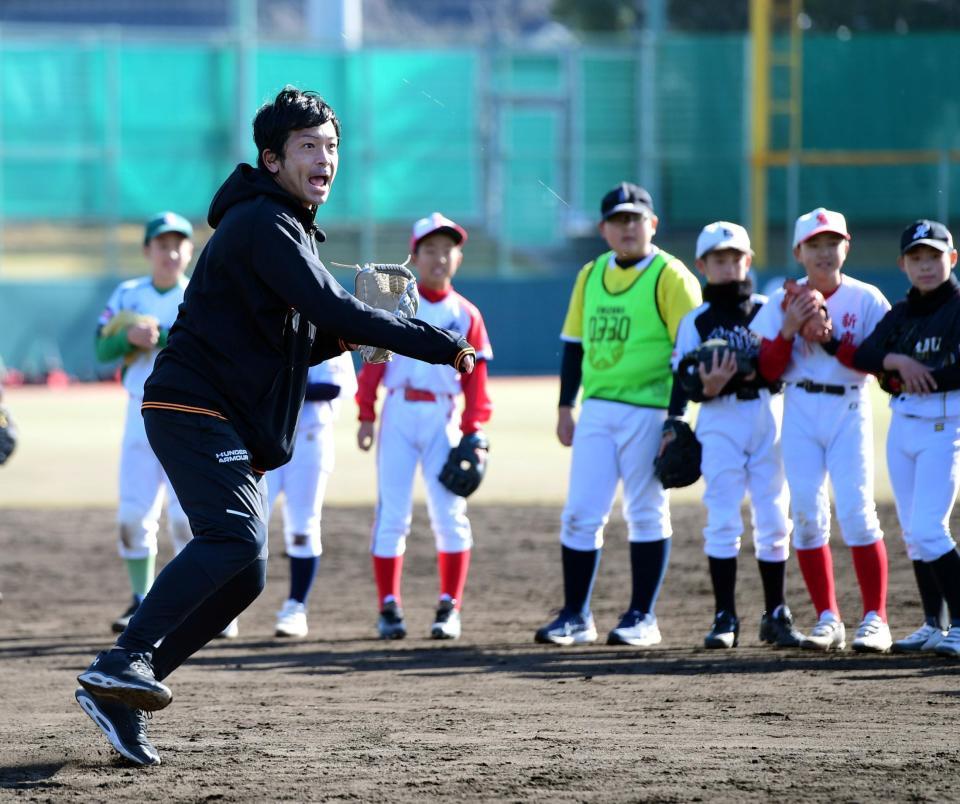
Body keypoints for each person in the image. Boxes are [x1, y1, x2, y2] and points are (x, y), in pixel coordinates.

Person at [75, 86, 475, 767]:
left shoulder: (280, 227)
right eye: (307, 146)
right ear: (271, 159)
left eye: (332, 147)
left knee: (246, 573)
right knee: (231, 539)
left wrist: (343, 338)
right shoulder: (265, 221)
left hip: (211, 408)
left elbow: (297, 333)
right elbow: (331, 306)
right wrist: (435, 339)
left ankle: (123, 689)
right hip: (190, 401)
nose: (325, 158)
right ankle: (124, 657)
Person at [534, 182, 702, 647]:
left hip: (649, 411)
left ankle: (642, 616)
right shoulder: (590, 275)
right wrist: (566, 405)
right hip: (598, 410)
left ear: (652, 224)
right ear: (604, 229)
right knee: (581, 514)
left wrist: (676, 419)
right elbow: (573, 345)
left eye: (636, 219)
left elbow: (688, 356)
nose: (627, 227)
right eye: (618, 220)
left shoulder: (671, 276)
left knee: (646, 511)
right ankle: (575, 616)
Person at [750, 207, 892, 653]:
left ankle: (876, 618)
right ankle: (828, 617)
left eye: (832, 243)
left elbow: (874, 364)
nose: (824, 252)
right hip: (800, 406)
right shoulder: (781, 302)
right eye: (814, 245)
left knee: (856, 511)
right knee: (808, 518)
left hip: (848, 407)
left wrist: (831, 339)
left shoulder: (867, 299)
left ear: (846, 248)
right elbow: (768, 372)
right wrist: (790, 329)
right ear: (798, 252)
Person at [356, 212, 493, 640]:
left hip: (443, 416)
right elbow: (375, 367)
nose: (439, 258)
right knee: (392, 514)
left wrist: (474, 430)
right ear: (413, 257)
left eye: (447, 250)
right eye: (430, 250)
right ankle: (389, 607)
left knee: (450, 513)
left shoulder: (466, 313)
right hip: (398, 413)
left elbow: (476, 381)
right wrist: (365, 413)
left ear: (459, 258)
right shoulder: (396, 308)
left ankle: (449, 606)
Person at [670, 222, 804, 649]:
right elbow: (683, 376)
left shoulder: (769, 308)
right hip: (719, 418)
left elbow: (784, 363)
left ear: (748, 261)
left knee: (773, 514)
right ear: (702, 266)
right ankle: (724, 616)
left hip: (767, 412)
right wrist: (701, 390)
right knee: (723, 514)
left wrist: (747, 371)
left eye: (735, 259)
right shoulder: (697, 319)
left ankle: (776, 612)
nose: (728, 268)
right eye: (718, 260)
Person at [842, 220, 960, 657]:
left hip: (946, 425)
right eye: (917, 258)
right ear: (903, 264)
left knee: (930, 528)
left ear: (952, 258)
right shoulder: (903, 311)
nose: (926, 266)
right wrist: (895, 360)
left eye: (934, 256)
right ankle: (935, 623)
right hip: (903, 425)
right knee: (914, 532)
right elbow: (864, 353)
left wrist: (916, 375)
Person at [95, 212, 196, 634]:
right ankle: (142, 600)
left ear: (190, 250)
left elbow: (203, 339)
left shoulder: (199, 292)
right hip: (139, 409)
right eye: (161, 244)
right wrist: (125, 339)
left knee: (186, 517)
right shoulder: (127, 294)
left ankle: (201, 604)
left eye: (178, 244)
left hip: (187, 414)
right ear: (147, 250)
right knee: (134, 513)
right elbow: (101, 350)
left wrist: (160, 334)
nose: (170, 252)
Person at [267, 352, 357, 638]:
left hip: (310, 437)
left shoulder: (327, 325)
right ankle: (226, 612)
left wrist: (282, 386)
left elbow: (334, 387)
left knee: (303, 525)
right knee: (248, 526)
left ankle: (296, 606)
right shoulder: (266, 321)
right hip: (264, 437)